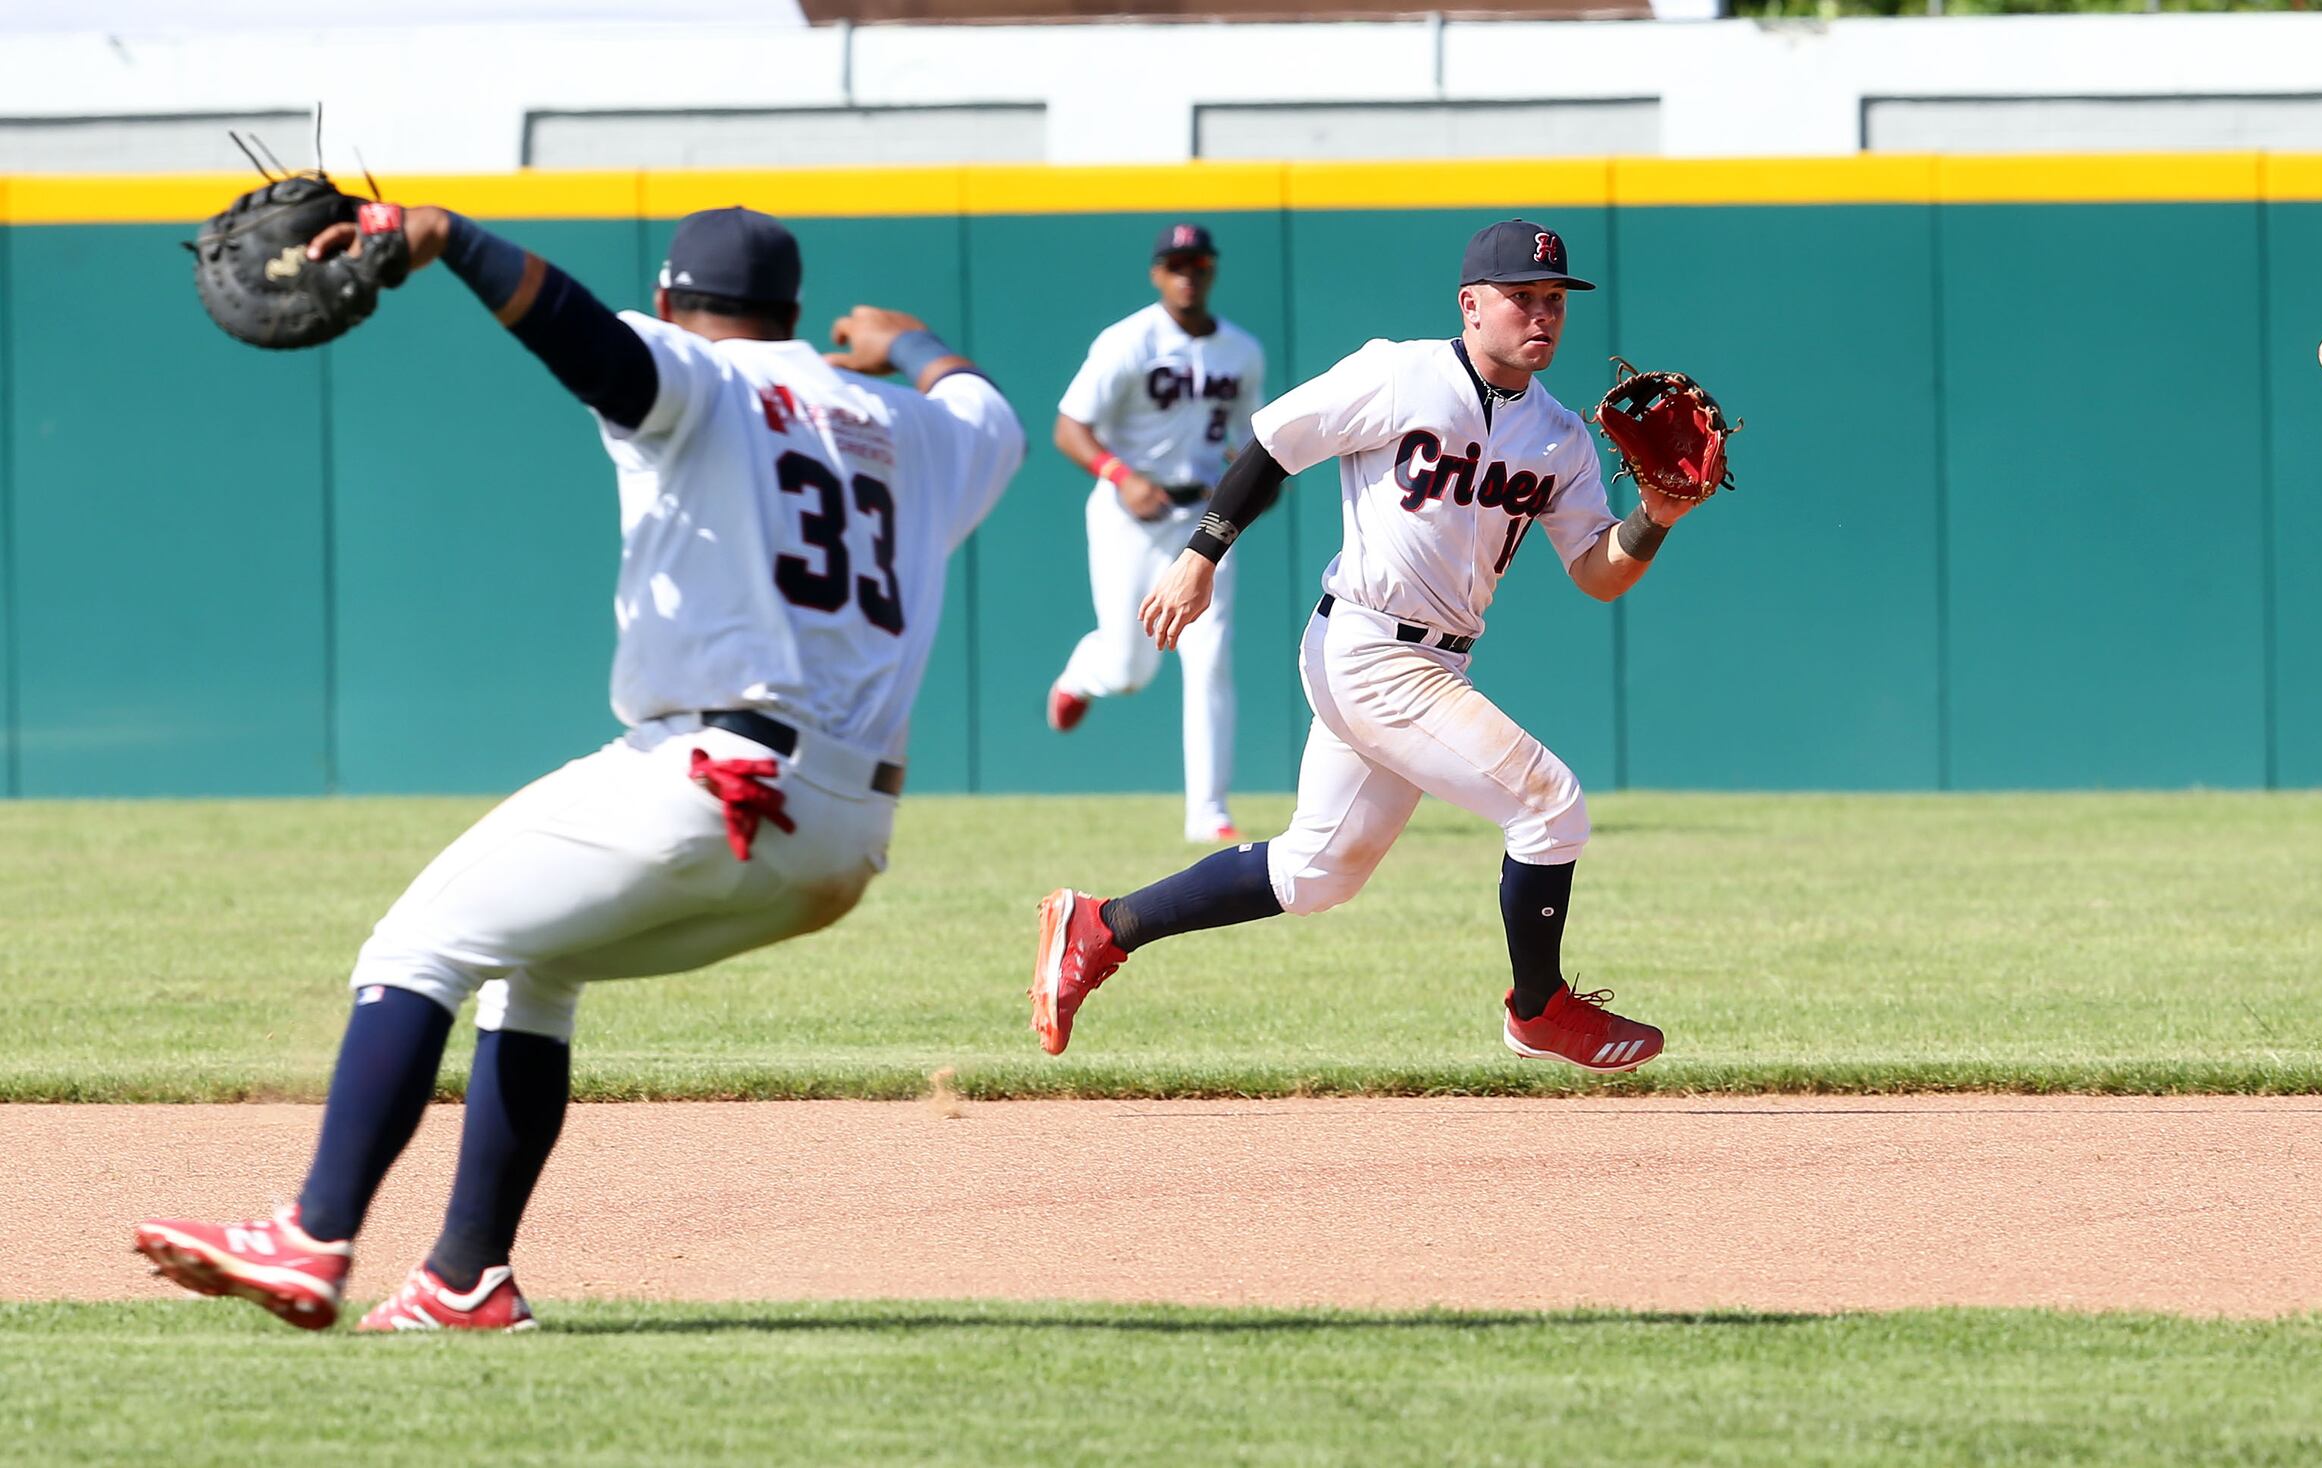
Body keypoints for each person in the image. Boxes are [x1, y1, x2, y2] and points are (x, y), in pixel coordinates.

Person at [134, 203, 1024, 1331]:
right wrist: (906, 341)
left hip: (714, 781)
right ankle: (467, 1278)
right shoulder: (916, 426)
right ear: (794, 313)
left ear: (669, 303)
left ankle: (311, 1234)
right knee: (533, 967)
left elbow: (583, 341)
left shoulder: (697, 376)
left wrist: (448, 237)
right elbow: (986, 407)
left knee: (415, 946)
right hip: (845, 842)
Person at [1030, 219, 1704, 1074]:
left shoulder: (1561, 437)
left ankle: (1099, 927)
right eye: (1521, 297)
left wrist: (1654, 519)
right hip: (1368, 647)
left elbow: (1596, 573)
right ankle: (1539, 1011)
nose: (1542, 315)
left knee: (1318, 874)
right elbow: (1272, 445)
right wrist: (1200, 554)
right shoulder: (1401, 374)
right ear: (1471, 305)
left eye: (1555, 301)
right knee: (1548, 807)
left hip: (1437, 658)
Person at [1046, 223, 1266, 844]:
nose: (1186, 273)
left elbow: (1252, 437)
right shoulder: (1128, 341)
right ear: (1157, 273)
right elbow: (1069, 426)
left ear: (1212, 270)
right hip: (1128, 514)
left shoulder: (1241, 351)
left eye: (1197, 262)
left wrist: (1254, 481)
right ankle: (1081, 676)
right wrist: (1119, 475)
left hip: (1204, 518)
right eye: (1175, 263)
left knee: (1210, 655)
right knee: (1129, 665)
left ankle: (1209, 812)